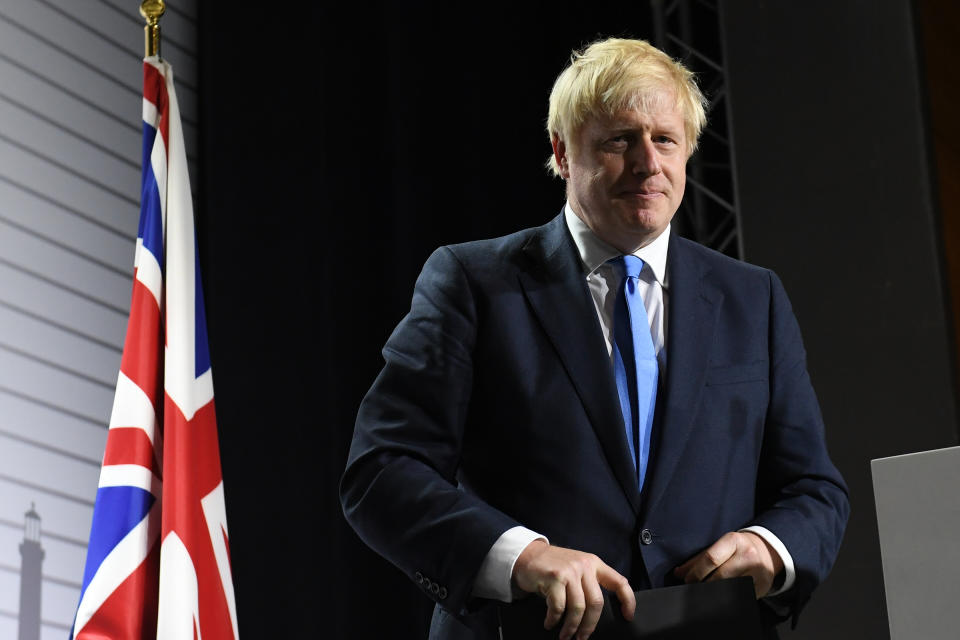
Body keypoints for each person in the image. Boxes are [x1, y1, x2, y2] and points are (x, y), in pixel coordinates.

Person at [340, 37, 849, 640]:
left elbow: (813, 489)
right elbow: (382, 472)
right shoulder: (474, 284)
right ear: (561, 153)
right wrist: (522, 557)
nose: (646, 163)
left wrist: (770, 548)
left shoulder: (753, 298)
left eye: (665, 139)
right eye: (618, 141)